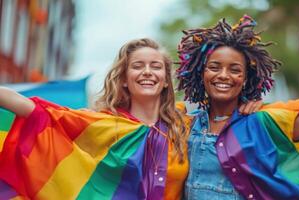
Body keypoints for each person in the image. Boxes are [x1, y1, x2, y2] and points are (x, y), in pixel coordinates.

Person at [176, 15, 299, 199]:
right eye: (214, 67)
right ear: (201, 72)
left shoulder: (262, 122)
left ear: (246, 78)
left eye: (235, 70)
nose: (224, 75)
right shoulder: (186, 125)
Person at [0, 38, 191, 200]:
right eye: (137, 66)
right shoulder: (101, 124)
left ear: (166, 80)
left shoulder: (185, 126)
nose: (147, 71)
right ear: (124, 79)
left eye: (156, 66)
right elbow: (41, 113)